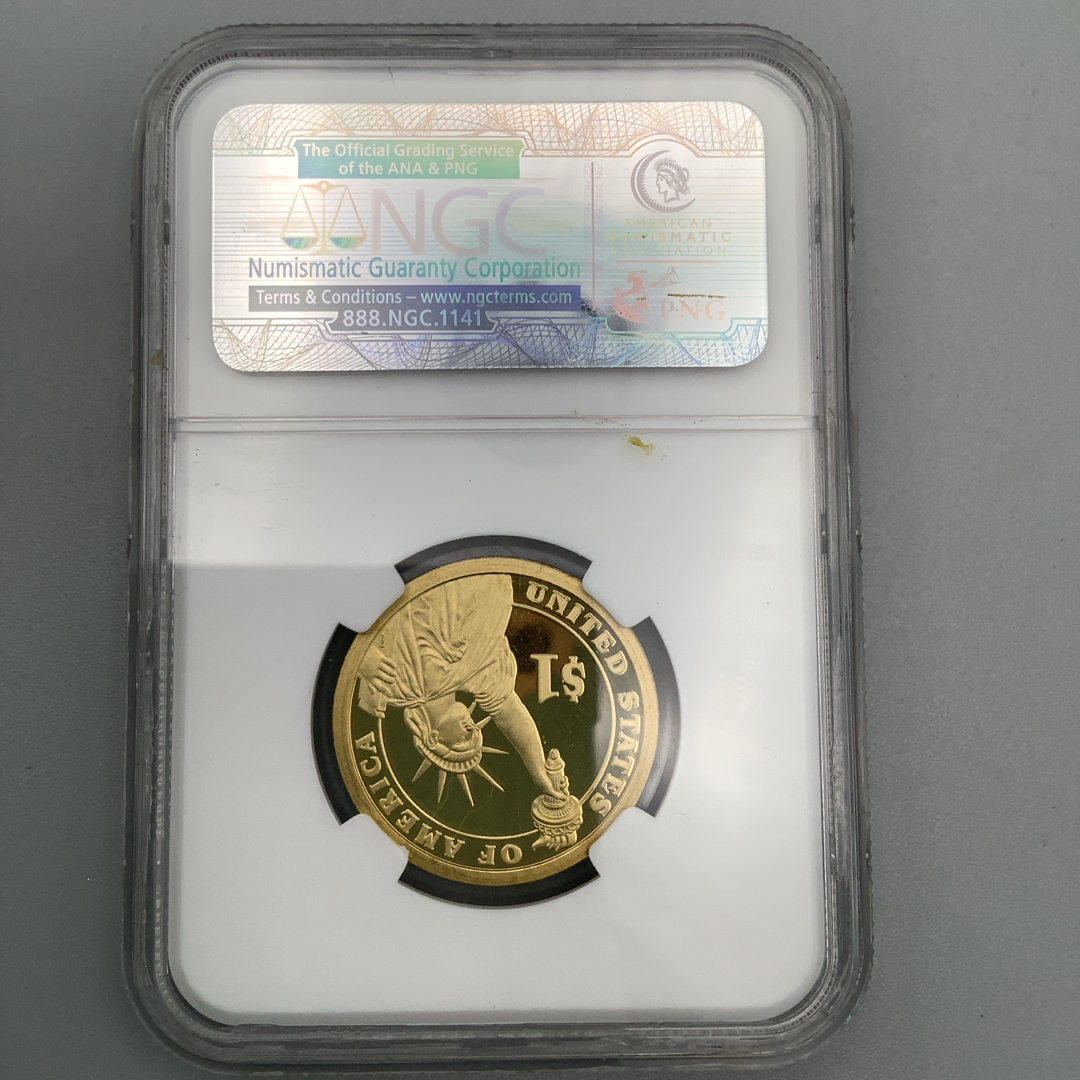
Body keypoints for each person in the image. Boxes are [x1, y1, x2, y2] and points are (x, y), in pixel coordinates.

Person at [357, 573, 581, 849]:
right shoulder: (479, 677)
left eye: (463, 741)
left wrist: (366, 660)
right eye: (476, 736)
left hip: (427, 571)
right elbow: (509, 712)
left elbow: (362, 626)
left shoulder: (396, 688)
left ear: (433, 738)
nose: (473, 730)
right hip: (483, 567)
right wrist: (539, 774)